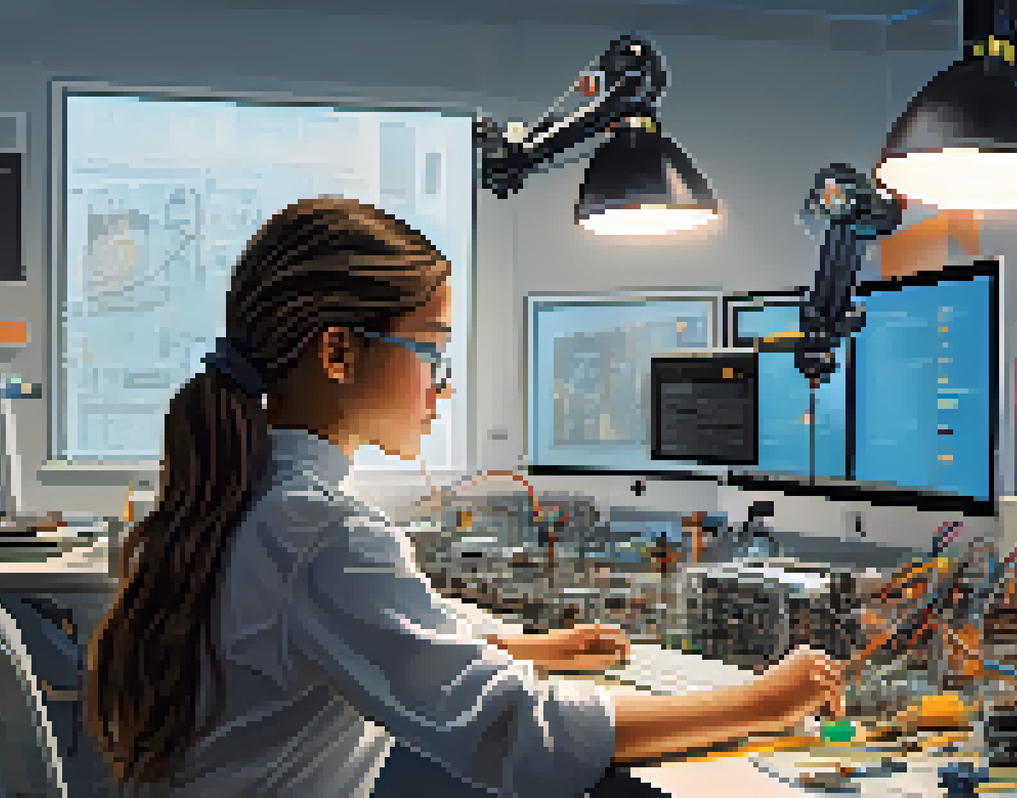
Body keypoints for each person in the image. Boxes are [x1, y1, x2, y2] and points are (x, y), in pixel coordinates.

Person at [83, 197, 844, 798]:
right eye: (431, 350)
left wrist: (525, 647)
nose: (441, 387)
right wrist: (765, 703)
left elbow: (374, 632)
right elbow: (517, 733)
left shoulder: (248, 499)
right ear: (338, 352)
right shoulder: (321, 534)